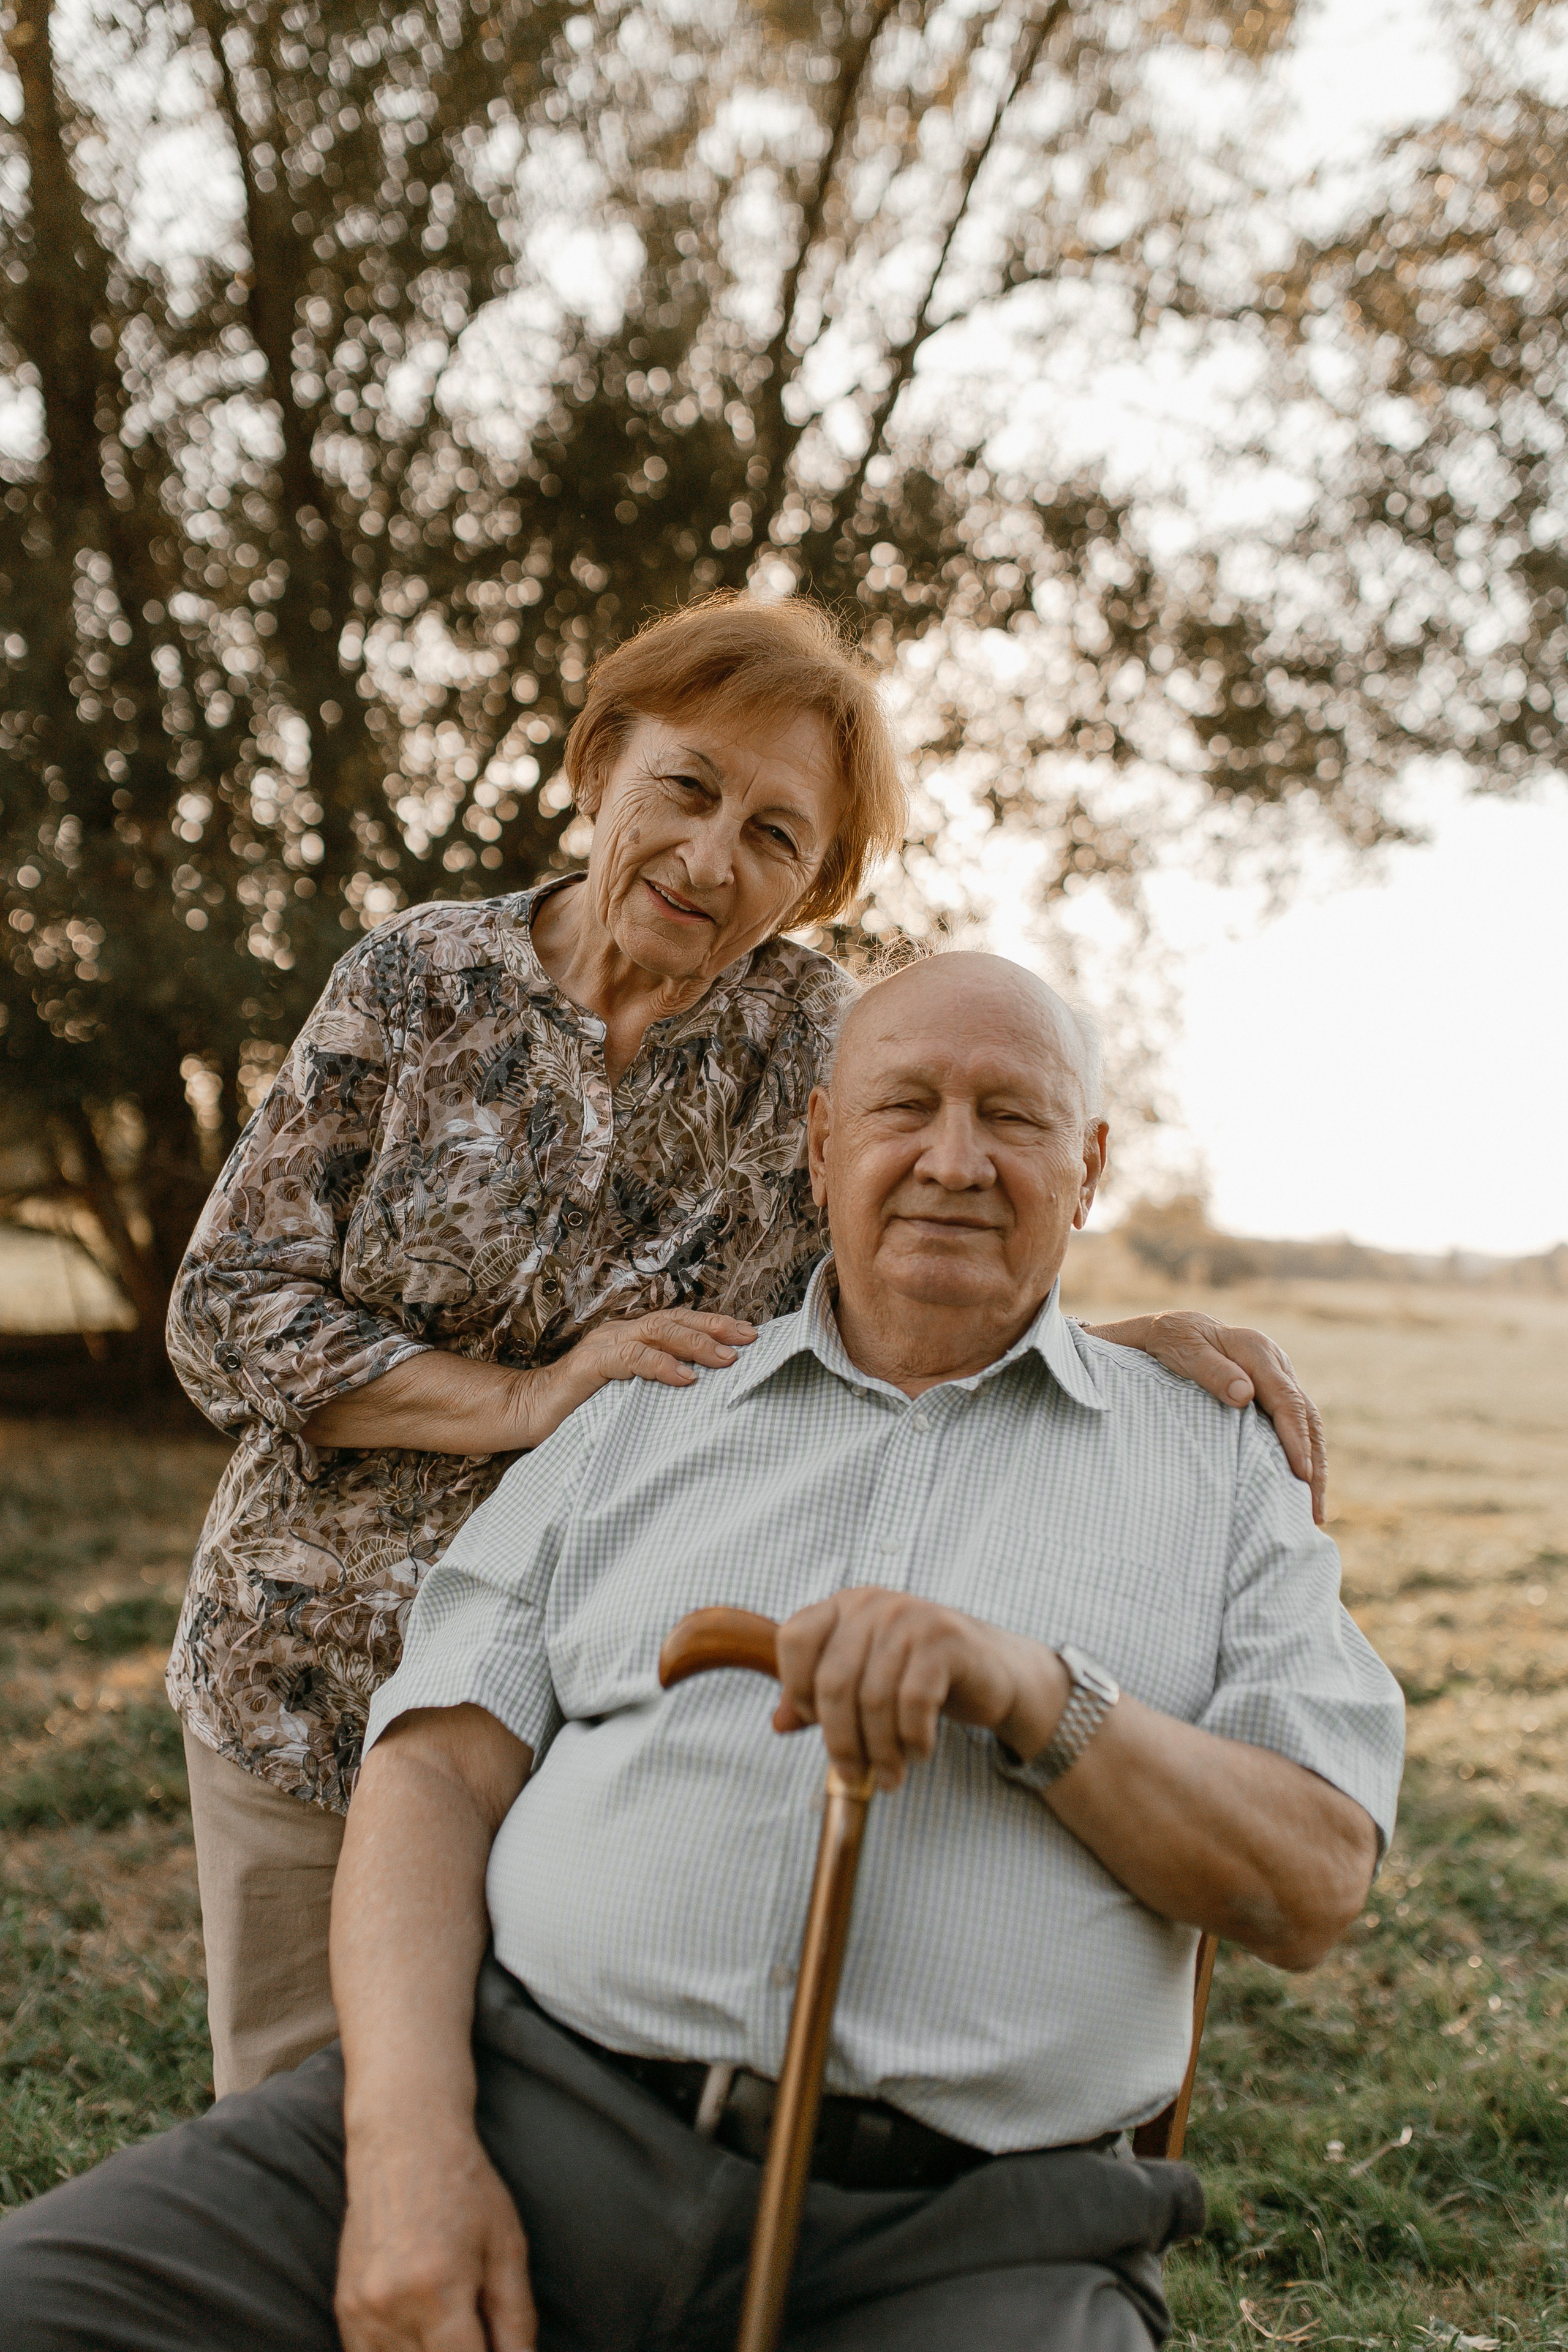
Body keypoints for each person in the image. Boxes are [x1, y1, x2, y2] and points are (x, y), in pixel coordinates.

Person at [2, 952, 1403, 2352]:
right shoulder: (648, 1404)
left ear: (1087, 1165)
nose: (952, 1160)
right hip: (531, 2111)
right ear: (817, 1147)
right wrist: (411, 2149)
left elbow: (1311, 1882)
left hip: (967, 2244)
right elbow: (432, 1778)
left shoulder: (1214, 1460)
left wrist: (1038, 1694)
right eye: (902, 1105)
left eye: (1014, 1118)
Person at [164, 592, 1328, 2100]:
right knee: (316, 2128)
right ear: (599, 772)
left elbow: (890, 1278)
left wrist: (1104, 1340)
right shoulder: (414, 982)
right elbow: (225, 1309)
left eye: (778, 836)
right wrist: (524, 1402)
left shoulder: (811, 1051)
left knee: (550, 2141)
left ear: (818, 882)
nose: (713, 861)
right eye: (687, 789)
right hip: (313, 1665)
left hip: (607, 1696)